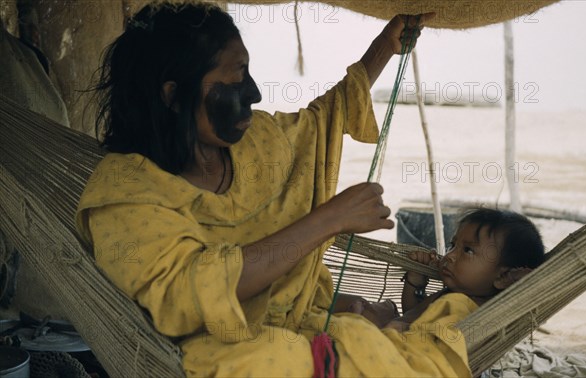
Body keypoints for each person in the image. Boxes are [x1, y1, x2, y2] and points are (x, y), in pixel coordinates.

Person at [76, 3, 477, 376]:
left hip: (302, 325)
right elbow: (187, 292)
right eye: (235, 78)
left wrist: (382, 50)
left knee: (448, 318)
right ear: (173, 95)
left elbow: (321, 121)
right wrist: (330, 219)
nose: (254, 93)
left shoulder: (258, 142)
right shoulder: (126, 191)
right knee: (270, 357)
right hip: (223, 348)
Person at [394, 208, 545, 330]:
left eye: (468, 250)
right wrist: (415, 281)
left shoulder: (482, 311)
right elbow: (411, 313)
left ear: (502, 276)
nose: (449, 256)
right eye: (452, 246)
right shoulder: (449, 294)